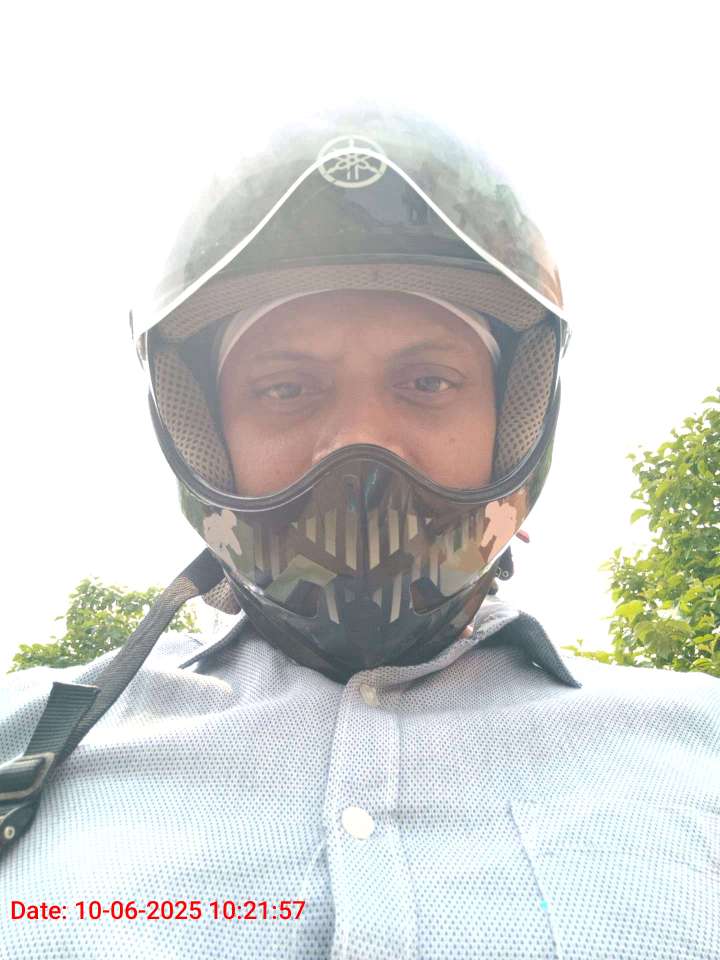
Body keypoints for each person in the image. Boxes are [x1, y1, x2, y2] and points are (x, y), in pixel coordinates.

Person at [1, 104, 718, 960]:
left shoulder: (701, 746)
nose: (361, 443)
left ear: (515, 425)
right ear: (206, 437)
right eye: (285, 389)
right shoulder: (24, 736)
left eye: (428, 381)